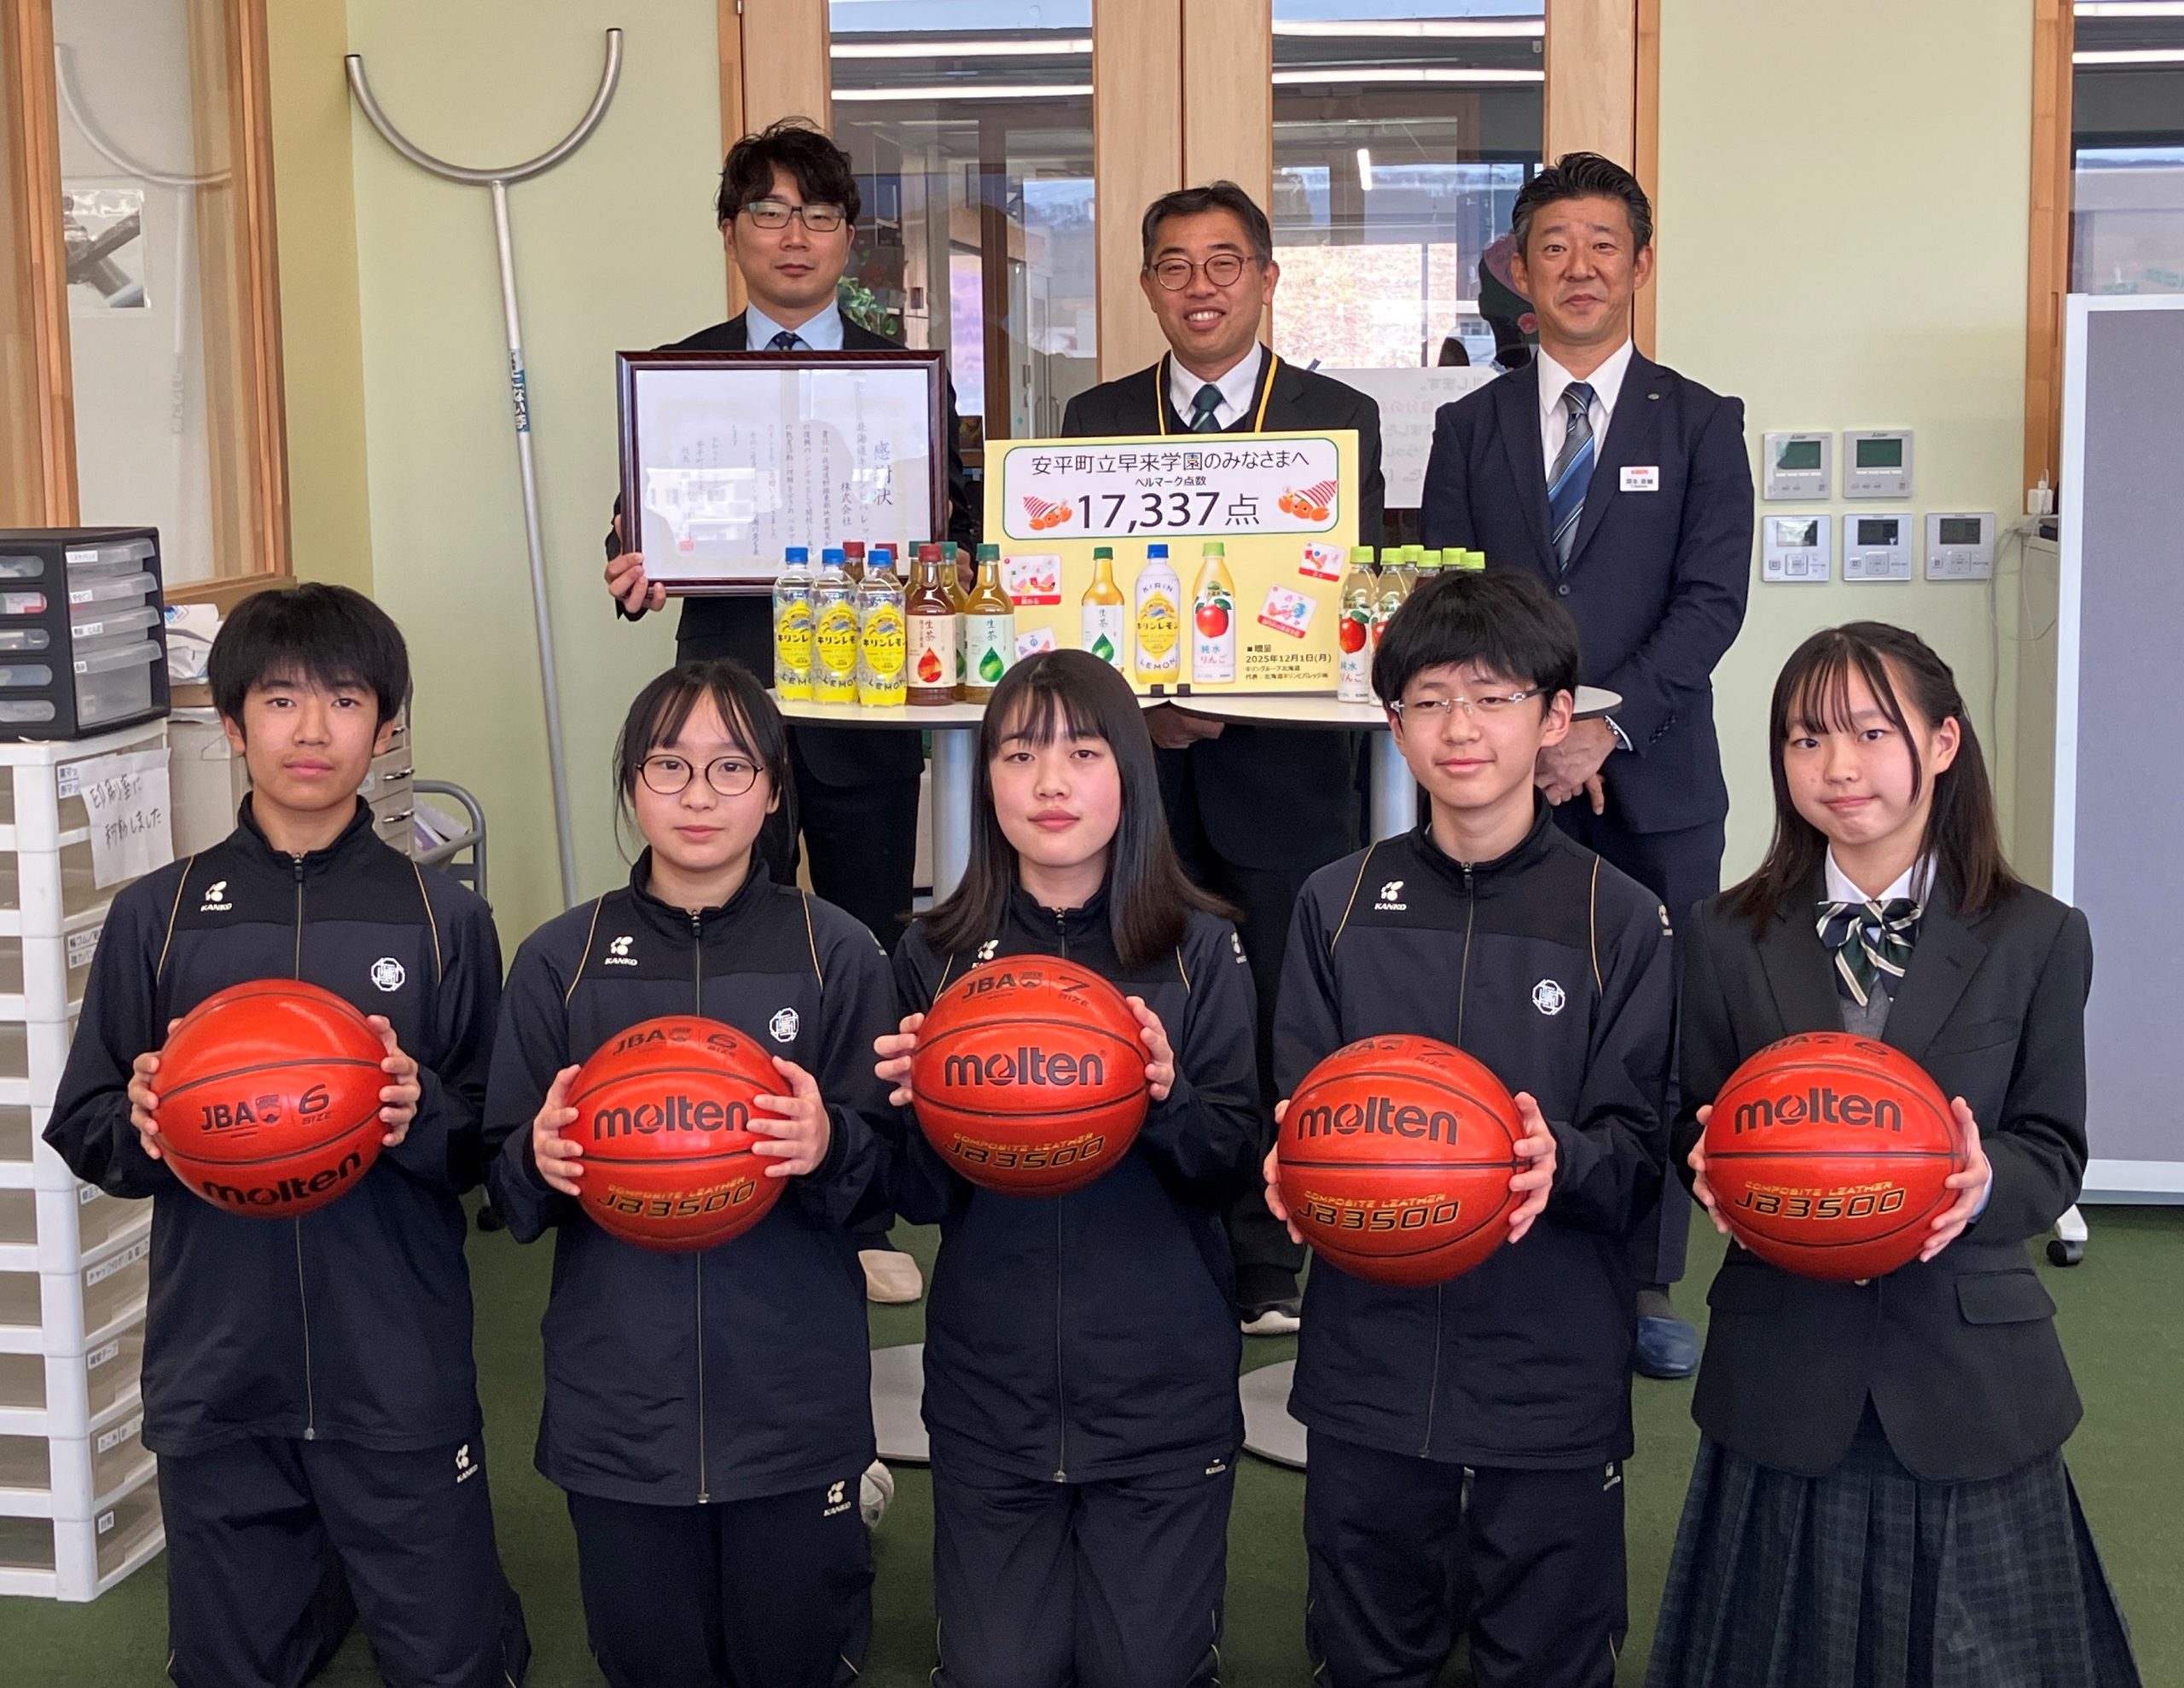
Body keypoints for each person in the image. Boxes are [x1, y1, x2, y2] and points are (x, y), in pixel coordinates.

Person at [46, 586, 528, 1688]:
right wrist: (146, 1123)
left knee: (454, 1667)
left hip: (395, 1364)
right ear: (230, 724)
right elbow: (84, 1120)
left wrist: (417, 1112)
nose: (312, 730)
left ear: (387, 726)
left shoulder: (445, 918)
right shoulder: (158, 914)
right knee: (229, 1669)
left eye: (345, 701)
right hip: (221, 1365)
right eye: (279, 700)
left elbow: (493, 1146)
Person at [1648, 623, 2141, 1688]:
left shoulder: (2037, 935)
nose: (1837, 765)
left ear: (1943, 742)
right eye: (1805, 737)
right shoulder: (1722, 933)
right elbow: (1691, 1114)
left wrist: (1983, 1181)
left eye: (1872, 732)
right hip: (1784, 1361)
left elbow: (2052, 1147)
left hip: (1968, 1370)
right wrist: (1707, 1164)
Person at [1263, 570, 1675, 1688]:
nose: (1459, 727)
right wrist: (1290, 1160)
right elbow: (1297, 1107)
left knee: (1547, 1654)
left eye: (1493, 697)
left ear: (1554, 717)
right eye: (1430, 700)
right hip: (1368, 1365)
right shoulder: (1334, 901)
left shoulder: (1620, 917)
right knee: (1367, 1652)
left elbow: (1643, 1155)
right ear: (1393, 724)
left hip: (1549, 1368)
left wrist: (1561, 1159)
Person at [605, 117, 967, 1305]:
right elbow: (641, 528)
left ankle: (858, 1207)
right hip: (726, 707)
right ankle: (714, 1164)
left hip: (867, 705)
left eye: (818, 213)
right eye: (768, 211)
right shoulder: (681, 375)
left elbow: (951, 533)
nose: (794, 234)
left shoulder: (906, 377)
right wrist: (634, 564)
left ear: (850, 238)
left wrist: (945, 555)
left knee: (862, 947)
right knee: (725, 937)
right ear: (731, 233)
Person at [484, 659, 899, 1688]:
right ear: (632, 783)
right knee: (649, 1660)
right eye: (669, 765)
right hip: (620, 1406)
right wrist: (536, 1156)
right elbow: (504, 1190)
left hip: (792, 1400)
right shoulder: (559, 960)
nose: (699, 794)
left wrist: (829, 1144)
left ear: (773, 788)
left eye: (730, 767)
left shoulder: (839, 952)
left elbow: (892, 1180)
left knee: (793, 1657)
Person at [1419, 151, 1754, 1377]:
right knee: (1505, 1008)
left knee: (1656, 1030)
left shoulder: (1701, 421)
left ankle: (1645, 1272)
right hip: (1504, 786)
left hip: (1655, 780)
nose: (1578, 267)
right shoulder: (1469, 426)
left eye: (1602, 244)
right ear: (1520, 269)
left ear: (1640, 264)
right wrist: (1526, 742)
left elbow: (1711, 603)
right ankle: (1495, 1228)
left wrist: (1603, 731)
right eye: (1553, 246)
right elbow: (1449, 604)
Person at [873, 651, 1261, 1688]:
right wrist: (916, 1111)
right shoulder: (931, 955)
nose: (1050, 782)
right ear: (985, 779)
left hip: (1160, 1399)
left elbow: (1231, 1166)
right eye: (1019, 753)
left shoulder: (1201, 948)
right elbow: (917, 1198)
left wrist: (1166, 1098)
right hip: (990, 1396)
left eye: (1082, 753)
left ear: (1129, 772)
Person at [1062, 180, 1387, 1334]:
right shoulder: (1096, 418)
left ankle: (1266, 1249)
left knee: (1280, 1007)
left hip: (1286, 772)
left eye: (1223, 262)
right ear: (1147, 285)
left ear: (1266, 278)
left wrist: (1242, 692)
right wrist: (1141, 708)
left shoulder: (1337, 416)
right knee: (1138, 998)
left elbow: (1346, 592)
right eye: (1175, 265)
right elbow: (1070, 595)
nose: (1199, 287)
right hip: (1136, 772)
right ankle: (1144, 1231)